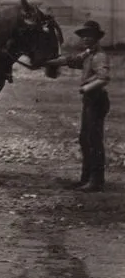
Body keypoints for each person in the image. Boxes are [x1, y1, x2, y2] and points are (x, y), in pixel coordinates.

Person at [44, 20, 111, 193]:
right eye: (84, 36)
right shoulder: (88, 54)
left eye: (90, 36)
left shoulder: (99, 56)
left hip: (96, 100)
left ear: (97, 38)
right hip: (90, 100)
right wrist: (48, 62)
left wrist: (85, 88)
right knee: (85, 139)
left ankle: (96, 181)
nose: (86, 39)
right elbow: (71, 60)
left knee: (93, 140)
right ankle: (86, 179)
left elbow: (103, 78)